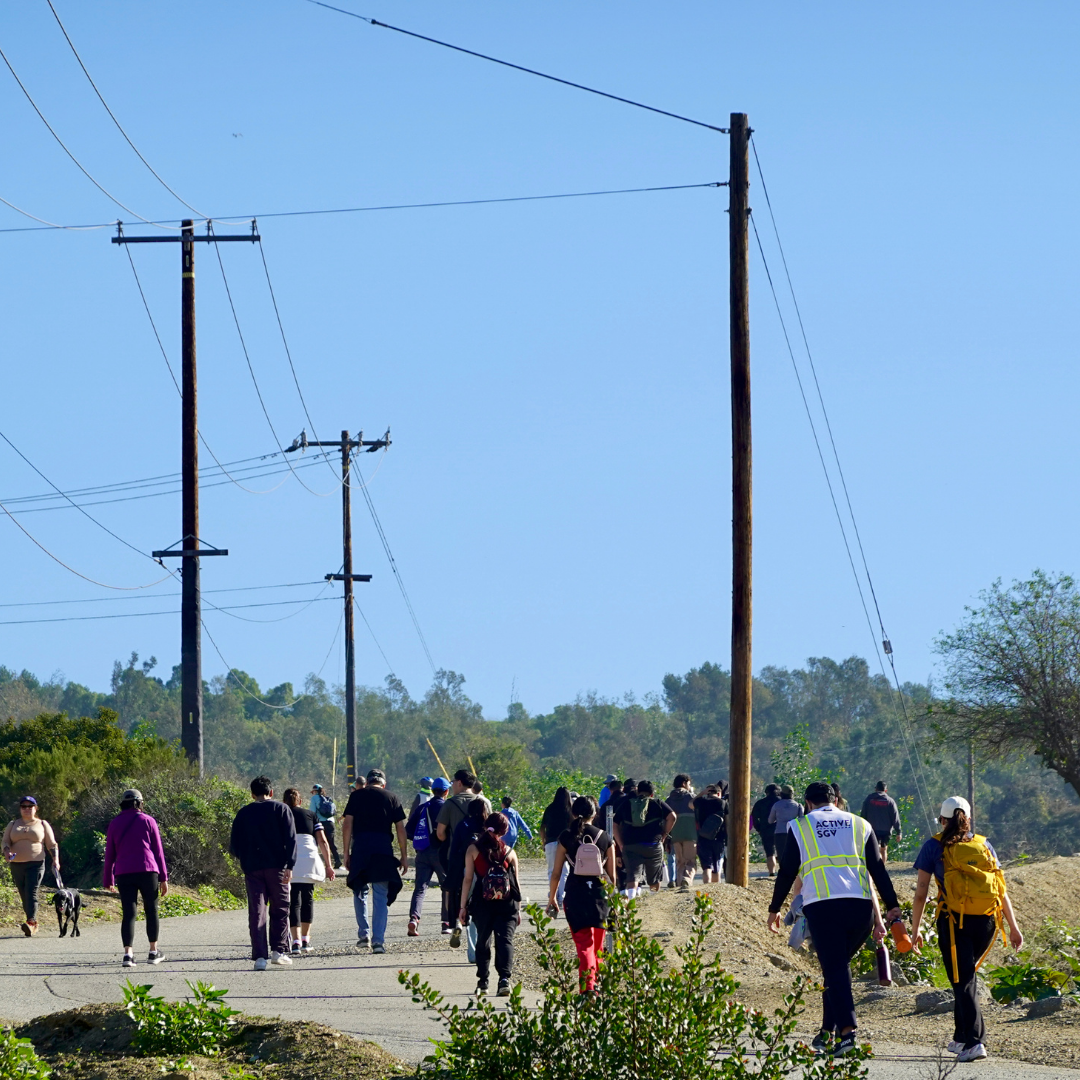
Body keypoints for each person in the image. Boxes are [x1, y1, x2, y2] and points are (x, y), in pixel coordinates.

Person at [768, 781, 902, 1058]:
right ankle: (827, 1031)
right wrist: (891, 906)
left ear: (807, 803)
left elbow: (786, 872)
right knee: (836, 969)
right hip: (860, 909)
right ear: (837, 800)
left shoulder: (800, 826)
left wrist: (775, 907)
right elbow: (877, 868)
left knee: (835, 969)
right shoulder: (859, 824)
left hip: (824, 907)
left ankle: (847, 1032)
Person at [910, 796, 1022, 1064]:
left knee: (963, 979)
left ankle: (975, 1041)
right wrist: (1014, 928)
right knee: (963, 976)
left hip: (954, 921)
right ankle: (961, 1036)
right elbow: (1001, 890)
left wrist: (915, 930)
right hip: (986, 921)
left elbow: (921, 892)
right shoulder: (984, 844)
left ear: (942, 819)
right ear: (968, 818)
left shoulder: (933, 846)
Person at [548, 795, 615, 994]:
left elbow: (557, 872)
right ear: (595, 813)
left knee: (584, 944)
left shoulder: (566, 836)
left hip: (575, 894)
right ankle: (599, 985)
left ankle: (588, 989)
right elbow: (612, 876)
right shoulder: (605, 837)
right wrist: (614, 900)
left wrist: (552, 897)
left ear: (573, 813)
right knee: (598, 944)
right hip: (600, 895)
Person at [230, 776, 297, 971]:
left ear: (252, 794)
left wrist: (246, 858)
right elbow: (291, 840)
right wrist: (290, 865)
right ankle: (278, 951)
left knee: (257, 911)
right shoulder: (282, 809)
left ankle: (260, 956)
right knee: (281, 908)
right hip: (278, 867)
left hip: (252, 868)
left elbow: (234, 846)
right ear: (272, 792)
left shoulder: (243, 813)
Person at [342, 768, 408, 954]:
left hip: (361, 847)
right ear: (383, 783)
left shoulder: (356, 796)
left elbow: (347, 824)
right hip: (382, 849)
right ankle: (378, 941)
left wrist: (346, 853)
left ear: (368, 781)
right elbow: (400, 829)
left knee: (360, 889)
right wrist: (403, 855)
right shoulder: (391, 797)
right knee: (380, 894)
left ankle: (364, 935)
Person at [102, 788, 168, 968]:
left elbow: (110, 854)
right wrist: (164, 877)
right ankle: (153, 952)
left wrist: (108, 879)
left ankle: (128, 955)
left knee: (129, 913)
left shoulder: (114, 824)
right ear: (139, 803)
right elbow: (158, 852)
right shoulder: (148, 821)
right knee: (151, 910)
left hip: (124, 872)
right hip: (148, 870)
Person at [459, 812, 521, 996]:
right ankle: (504, 980)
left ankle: (483, 982)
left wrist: (463, 906)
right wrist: (519, 910)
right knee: (505, 941)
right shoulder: (510, 852)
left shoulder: (473, 850)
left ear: (486, 826)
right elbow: (516, 884)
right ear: (504, 831)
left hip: (482, 902)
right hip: (507, 904)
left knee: (483, 940)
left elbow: (468, 879)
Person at [282, 788, 335, 953]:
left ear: (284, 802)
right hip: (309, 861)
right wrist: (328, 865)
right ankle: (306, 941)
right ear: (300, 801)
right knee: (308, 899)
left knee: (293, 902)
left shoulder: (281, 815)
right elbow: (323, 841)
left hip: (290, 862)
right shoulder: (311, 815)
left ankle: (295, 942)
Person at [2, 796, 59, 938]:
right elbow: (5, 842)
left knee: (31, 891)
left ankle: (31, 922)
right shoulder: (13, 824)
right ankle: (31, 921)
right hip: (17, 864)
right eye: (24, 806)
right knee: (23, 893)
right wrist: (7, 852)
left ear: (35, 808)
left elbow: (51, 844)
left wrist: (55, 860)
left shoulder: (42, 824)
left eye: (30, 806)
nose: (27, 809)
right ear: (20, 809)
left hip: (36, 863)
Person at [612, 780, 675, 896]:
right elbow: (672, 816)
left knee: (632, 877)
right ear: (652, 794)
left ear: (637, 791)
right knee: (654, 878)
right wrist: (664, 835)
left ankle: (631, 904)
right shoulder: (657, 803)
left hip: (630, 845)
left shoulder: (626, 804)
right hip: (653, 845)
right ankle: (653, 905)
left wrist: (620, 843)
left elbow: (614, 823)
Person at [406, 776, 450, 935]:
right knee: (447, 888)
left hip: (423, 853)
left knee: (420, 888)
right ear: (446, 791)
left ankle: (414, 919)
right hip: (441, 854)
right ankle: (446, 923)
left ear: (432, 791)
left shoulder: (422, 807)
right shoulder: (447, 807)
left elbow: (408, 831)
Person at [446, 796, 489, 950]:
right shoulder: (487, 826)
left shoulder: (462, 825)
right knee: (479, 910)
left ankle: (457, 921)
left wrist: (452, 869)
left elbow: (454, 848)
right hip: (483, 872)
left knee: (461, 901)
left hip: (463, 868)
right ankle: (476, 951)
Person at [540, 787, 573, 913]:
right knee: (564, 870)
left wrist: (543, 842)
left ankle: (553, 894)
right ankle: (561, 895)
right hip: (565, 844)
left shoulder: (550, 808)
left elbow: (542, 828)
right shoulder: (570, 809)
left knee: (551, 870)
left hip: (550, 842)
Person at [665, 775, 698, 891]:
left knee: (680, 862)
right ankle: (687, 880)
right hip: (690, 834)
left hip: (675, 835)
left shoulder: (669, 799)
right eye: (688, 784)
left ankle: (679, 885)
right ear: (684, 783)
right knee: (690, 861)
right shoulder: (691, 797)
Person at [693, 783, 728, 884]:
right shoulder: (723, 803)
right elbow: (727, 821)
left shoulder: (700, 802)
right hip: (719, 838)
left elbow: (690, 803)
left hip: (703, 837)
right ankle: (715, 889)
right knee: (716, 866)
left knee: (706, 866)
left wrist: (701, 793)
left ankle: (706, 889)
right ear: (719, 793)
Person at [860, 781, 902, 861]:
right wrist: (898, 832)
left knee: (876, 849)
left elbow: (863, 814)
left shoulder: (869, 799)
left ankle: (876, 868)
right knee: (884, 849)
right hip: (886, 830)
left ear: (876, 789)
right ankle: (882, 868)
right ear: (886, 790)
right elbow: (895, 817)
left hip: (872, 829)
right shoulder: (890, 801)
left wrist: (862, 827)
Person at [768, 785, 802, 865]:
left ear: (781, 794)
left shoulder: (776, 805)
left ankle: (782, 873)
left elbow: (770, 821)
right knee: (793, 854)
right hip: (793, 832)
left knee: (781, 854)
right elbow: (802, 819)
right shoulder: (798, 805)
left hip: (780, 833)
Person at [751, 784, 781, 875]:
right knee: (782, 852)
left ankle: (771, 872)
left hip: (766, 830)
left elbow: (753, 818)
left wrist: (759, 828)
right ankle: (783, 872)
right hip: (781, 831)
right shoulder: (782, 802)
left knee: (770, 853)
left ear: (766, 792)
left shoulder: (760, 803)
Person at [309, 784, 341, 869]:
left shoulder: (314, 798)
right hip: (331, 823)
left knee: (316, 842)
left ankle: (313, 862)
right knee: (331, 843)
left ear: (315, 791)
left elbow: (312, 812)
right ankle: (337, 860)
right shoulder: (328, 799)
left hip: (320, 823)